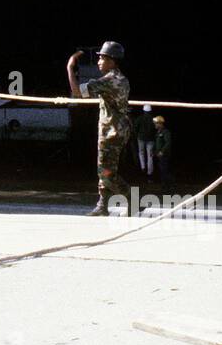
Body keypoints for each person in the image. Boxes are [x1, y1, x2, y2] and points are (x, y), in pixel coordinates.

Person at [67, 41, 132, 216]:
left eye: (103, 58)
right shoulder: (119, 78)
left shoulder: (110, 80)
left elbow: (77, 93)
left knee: (106, 172)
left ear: (113, 60)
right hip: (112, 130)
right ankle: (103, 204)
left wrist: (70, 67)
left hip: (112, 132)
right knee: (105, 168)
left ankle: (131, 197)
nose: (99, 62)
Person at [134, 104, 157, 177]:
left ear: (143, 110)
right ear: (150, 111)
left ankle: (143, 167)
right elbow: (156, 129)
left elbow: (135, 128)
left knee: (141, 153)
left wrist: (137, 135)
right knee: (150, 156)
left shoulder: (139, 118)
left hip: (141, 138)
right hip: (151, 139)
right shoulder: (154, 119)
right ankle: (150, 172)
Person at [153, 115, 174, 193]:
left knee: (165, 171)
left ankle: (168, 186)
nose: (155, 125)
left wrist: (162, 151)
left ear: (160, 124)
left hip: (165, 155)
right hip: (160, 155)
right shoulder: (158, 132)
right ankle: (165, 186)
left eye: (156, 123)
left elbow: (168, 143)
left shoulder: (165, 132)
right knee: (162, 171)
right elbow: (157, 143)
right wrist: (154, 152)